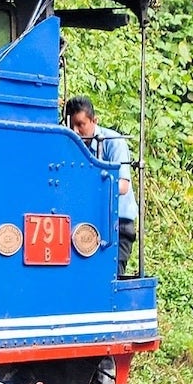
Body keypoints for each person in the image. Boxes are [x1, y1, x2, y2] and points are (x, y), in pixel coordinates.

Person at [64, 96, 137, 272]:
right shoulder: (71, 146)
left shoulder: (113, 142)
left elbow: (123, 186)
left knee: (113, 274)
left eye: (80, 124)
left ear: (94, 121)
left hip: (118, 223)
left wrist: (89, 189)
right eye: (71, 126)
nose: (75, 131)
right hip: (87, 223)